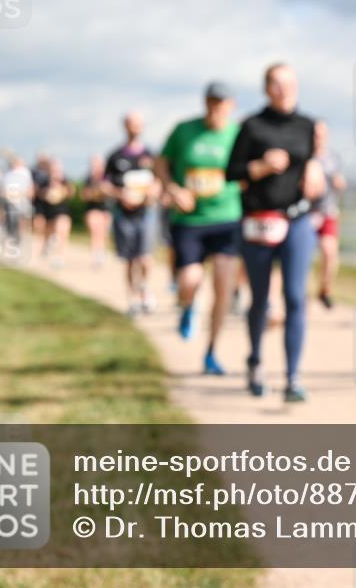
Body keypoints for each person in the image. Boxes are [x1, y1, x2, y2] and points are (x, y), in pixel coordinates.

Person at [225, 63, 326, 402]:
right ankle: (255, 360)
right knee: (260, 300)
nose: (285, 90)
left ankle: (293, 377)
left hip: (296, 219)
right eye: (278, 85)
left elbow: (314, 159)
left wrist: (313, 167)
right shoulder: (252, 126)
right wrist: (261, 166)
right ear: (267, 89)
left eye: (290, 83)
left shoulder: (308, 125)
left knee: (296, 298)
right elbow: (232, 172)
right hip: (258, 221)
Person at [156, 82, 243, 375]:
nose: (216, 108)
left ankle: (211, 352)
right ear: (204, 102)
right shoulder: (184, 130)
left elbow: (246, 171)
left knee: (222, 283)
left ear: (231, 105)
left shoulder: (238, 133)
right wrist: (173, 188)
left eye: (221, 102)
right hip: (189, 220)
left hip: (226, 217)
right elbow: (161, 163)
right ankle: (187, 305)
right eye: (211, 102)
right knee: (190, 279)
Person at [103, 112, 161, 316]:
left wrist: (153, 191)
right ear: (125, 126)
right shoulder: (115, 156)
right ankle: (132, 299)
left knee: (145, 258)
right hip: (124, 214)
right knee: (129, 259)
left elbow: (159, 180)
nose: (134, 128)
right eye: (131, 124)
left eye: (138, 124)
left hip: (146, 213)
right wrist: (120, 195)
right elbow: (105, 184)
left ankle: (144, 288)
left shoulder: (150, 155)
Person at [310, 120, 346, 309]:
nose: (319, 138)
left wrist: (339, 183)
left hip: (327, 212)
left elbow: (340, 181)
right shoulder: (305, 156)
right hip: (306, 213)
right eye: (316, 134)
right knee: (303, 256)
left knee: (329, 252)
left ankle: (325, 289)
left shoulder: (333, 157)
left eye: (322, 134)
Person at [36, 158, 73, 266]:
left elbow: (71, 193)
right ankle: (46, 245)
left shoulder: (65, 181)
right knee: (49, 232)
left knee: (62, 231)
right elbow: (39, 195)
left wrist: (61, 187)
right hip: (48, 212)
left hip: (62, 211)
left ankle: (60, 256)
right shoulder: (44, 181)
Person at [82, 154, 110, 267]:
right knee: (95, 231)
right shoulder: (89, 178)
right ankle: (95, 254)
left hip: (105, 208)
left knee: (103, 232)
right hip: (92, 208)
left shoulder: (107, 177)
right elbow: (85, 195)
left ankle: (101, 251)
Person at [0, 156, 33, 245]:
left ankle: (19, 239)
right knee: (11, 221)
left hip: (22, 201)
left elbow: (30, 188)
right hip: (10, 201)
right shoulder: (8, 174)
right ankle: (11, 237)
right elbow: (3, 189)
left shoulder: (25, 173)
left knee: (21, 221)